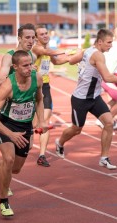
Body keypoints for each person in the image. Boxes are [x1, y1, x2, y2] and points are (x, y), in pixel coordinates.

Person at [0, 50, 48, 217]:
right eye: (25, 65)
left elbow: (39, 99)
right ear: (15, 67)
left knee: (15, 169)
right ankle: (4, 202)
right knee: (8, 160)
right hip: (7, 124)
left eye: (30, 64)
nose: (29, 68)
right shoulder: (7, 86)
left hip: (25, 126)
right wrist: (10, 134)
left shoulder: (36, 78)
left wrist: (42, 120)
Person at [55, 29, 117, 170]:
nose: (111, 45)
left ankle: (104, 158)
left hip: (94, 97)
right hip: (80, 99)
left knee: (109, 123)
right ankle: (60, 142)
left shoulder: (89, 50)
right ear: (100, 42)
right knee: (76, 129)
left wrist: (79, 59)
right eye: (109, 42)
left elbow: (72, 62)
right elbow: (108, 77)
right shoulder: (98, 55)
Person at [32, 24, 73, 167]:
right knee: (33, 124)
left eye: (45, 33)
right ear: (36, 38)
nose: (44, 36)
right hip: (32, 88)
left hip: (45, 87)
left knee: (45, 121)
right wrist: (65, 50)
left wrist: (71, 58)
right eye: (41, 34)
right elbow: (49, 52)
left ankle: (42, 155)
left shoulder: (48, 51)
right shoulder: (36, 48)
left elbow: (56, 60)